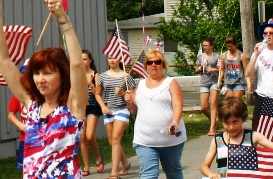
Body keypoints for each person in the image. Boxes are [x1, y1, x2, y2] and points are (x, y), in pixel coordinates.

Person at [0, 0, 88, 178]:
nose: (40, 80)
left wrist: (63, 20)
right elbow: (3, 60)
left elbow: (76, 65)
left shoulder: (73, 106)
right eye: (36, 73)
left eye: (47, 74)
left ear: (61, 76)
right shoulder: (30, 105)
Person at [124, 50, 187, 179]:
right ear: (146, 66)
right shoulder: (140, 85)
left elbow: (178, 105)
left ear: (163, 65)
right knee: (148, 175)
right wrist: (129, 102)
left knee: (173, 172)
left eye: (157, 62)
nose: (153, 65)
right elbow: (134, 110)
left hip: (171, 139)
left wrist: (175, 122)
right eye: (150, 62)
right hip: (144, 139)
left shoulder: (171, 83)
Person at [200, 97, 273, 178]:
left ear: (243, 119)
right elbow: (204, 166)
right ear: (222, 120)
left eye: (235, 122)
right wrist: (211, 174)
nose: (231, 127)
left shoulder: (253, 137)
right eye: (226, 122)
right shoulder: (217, 140)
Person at [95, 56, 135, 178]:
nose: (112, 60)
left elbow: (133, 95)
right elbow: (97, 94)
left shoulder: (126, 76)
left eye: (114, 58)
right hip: (108, 110)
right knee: (112, 142)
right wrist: (103, 106)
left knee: (116, 139)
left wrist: (122, 93)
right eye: (110, 58)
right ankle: (125, 162)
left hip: (122, 109)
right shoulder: (103, 76)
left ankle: (114, 173)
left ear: (119, 60)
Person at [245, 17, 273, 131]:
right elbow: (248, 73)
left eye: (271, 33)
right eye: (265, 33)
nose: (268, 35)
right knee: (257, 131)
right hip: (262, 96)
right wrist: (255, 54)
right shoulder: (259, 53)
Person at [80, 49, 104, 176]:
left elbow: (98, 94)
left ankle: (98, 158)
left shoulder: (95, 75)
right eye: (81, 59)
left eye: (84, 59)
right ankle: (87, 166)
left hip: (93, 107)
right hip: (80, 108)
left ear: (90, 60)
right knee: (82, 138)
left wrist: (90, 84)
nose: (82, 61)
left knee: (89, 136)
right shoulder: (76, 74)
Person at [195, 37, 221, 136]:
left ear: (211, 46)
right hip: (204, 82)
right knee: (204, 107)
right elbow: (196, 70)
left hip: (214, 82)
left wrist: (213, 69)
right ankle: (214, 120)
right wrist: (200, 67)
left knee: (213, 105)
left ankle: (212, 129)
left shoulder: (217, 56)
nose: (204, 47)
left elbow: (221, 69)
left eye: (206, 45)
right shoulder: (200, 57)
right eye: (203, 45)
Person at [7, 59, 29, 170]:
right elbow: (11, 114)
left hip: (40, 138)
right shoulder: (19, 95)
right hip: (25, 139)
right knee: (25, 169)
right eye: (23, 74)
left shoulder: (43, 95)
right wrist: (20, 125)